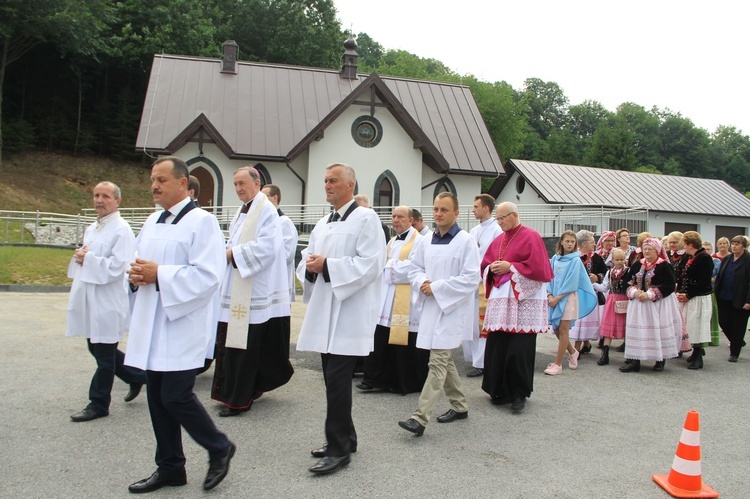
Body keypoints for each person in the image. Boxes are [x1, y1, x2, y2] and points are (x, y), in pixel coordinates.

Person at [125, 156, 235, 493]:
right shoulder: (152, 220)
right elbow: (139, 264)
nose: (155, 185)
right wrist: (133, 278)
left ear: (184, 184)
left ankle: (219, 447)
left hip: (182, 323)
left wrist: (159, 274)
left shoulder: (202, 223)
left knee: (175, 395)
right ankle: (171, 466)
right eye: (152, 179)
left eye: (162, 179)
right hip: (152, 322)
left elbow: (209, 276)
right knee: (157, 396)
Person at [296, 163, 386, 475]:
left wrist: (329, 266)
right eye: (325, 181)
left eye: (333, 180)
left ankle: (338, 450)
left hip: (349, 313)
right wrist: (310, 267)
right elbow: (307, 259)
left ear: (350, 185)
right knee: (332, 380)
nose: (327, 185)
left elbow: (372, 264)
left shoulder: (367, 219)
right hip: (325, 312)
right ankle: (346, 437)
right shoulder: (322, 223)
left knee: (336, 382)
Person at [210, 168, 294, 417]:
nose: (238, 188)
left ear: (257, 183)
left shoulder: (265, 209)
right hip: (236, 284)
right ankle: (234, 393)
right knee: (233, 342)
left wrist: (231, 255)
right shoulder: (243, 208)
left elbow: (267, 247)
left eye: (242, 183)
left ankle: (239, 400)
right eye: (235, 184)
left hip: (251, 288)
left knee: (243, 347)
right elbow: (234, 240)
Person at [398, 193, 479, 436]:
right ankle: (460, 405)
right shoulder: (426, 240)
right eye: (435, 209)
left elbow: (471, 278)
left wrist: (437, 287)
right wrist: (423, 282)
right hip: (432, 307)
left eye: (444, 210)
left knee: (437, 361)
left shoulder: (465, 241)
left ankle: (420, 418)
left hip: (452, 309)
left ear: (456, 213)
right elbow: (414, 267)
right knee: (443, 359)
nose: (439, 214)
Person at [66, 181, 145, 422]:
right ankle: (135, 376)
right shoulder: (94, 227)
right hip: (92, 297)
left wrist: (87, 258)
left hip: (108, 299)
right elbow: (90, 255)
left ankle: (98, 403)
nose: (99, 200)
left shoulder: (121, 230)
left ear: (118, 201)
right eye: (96, 195)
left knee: (103, 354)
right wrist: (81, 256)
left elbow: (119, 267)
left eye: (106, 196)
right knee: (97, 346)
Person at [480, 202, 553, 412]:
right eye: (498, 219)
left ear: (514, 215)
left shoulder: (531, 236)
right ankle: (499, 390)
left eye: (503, 218)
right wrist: (492, 269)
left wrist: (510, 267)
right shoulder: (498, 240)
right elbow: (485, 265)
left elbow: (539, 270)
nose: (500, 222)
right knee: (498, 347)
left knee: (519, 350)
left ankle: (519, 394)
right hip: (502, 301)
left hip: (523, 303)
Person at [358, 206, 429, 394]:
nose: (396, 220)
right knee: (382, 337)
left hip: (406, 300)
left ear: (411, 220)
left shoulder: (420, 241)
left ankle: (403, 381)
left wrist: (387, 265)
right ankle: (376, 378)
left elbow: (413, 268)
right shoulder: (391, 241)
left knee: (402, 341)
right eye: (394, 216)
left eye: (400, 217)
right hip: (387, 297)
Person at [619, 238, 682, 373]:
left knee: (656, 329)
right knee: (638, 330)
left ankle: (660, 359)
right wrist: (634, 292)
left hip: (657, 304)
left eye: (650, 249)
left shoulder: (664, 265)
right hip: (638, 304)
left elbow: (670, 285)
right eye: (645, 249)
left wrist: (650, 294)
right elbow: (627, 281)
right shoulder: (637, 265)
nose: (646, 251)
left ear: (657, 251)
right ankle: (635, 360)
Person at [545, 230, 596, 375]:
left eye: (572, 242)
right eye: (567, 241)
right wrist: (549, 295)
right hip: (553, 297)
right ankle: (573, 352)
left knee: (563, 330)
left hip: (567, 298)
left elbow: (572, 282)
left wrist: (557, 298)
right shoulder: (555, 258)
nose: (569, 244)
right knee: (556, 328)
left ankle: (558, 364)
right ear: (561, 241)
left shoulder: (575, 260)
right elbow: (550, 277)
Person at [465, 194, 503, 377]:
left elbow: (497, 256)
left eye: (476, 206)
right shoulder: (473, 231)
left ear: (486, 208)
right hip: (472, 281)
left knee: (483, 323)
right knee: (471, 321)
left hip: (486, 282)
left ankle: (482, 362)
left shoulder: (497, 231)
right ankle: (473, 358)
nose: (473, 209)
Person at [675, 231, 714, 370]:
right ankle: (693, 351)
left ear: (690, 244)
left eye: (685, 244)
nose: (684, 247)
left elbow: (704, 282)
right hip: (686, 296)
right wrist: (680, 291)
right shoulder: (688, 256)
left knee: (697, 324)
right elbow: (680, 275)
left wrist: (689, 294)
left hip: (698, 297)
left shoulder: (705, 258)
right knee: (687, 324)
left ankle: (698, 355)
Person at [570, 230, 606, 354]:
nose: (594, 244)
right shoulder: (573, 257)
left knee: (585, 318)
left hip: (591, 294)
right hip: (576, 294)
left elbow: (605, 272)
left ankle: (584, 344)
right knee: (579, 319)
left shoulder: (596, 257)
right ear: (584, 244)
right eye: (592, 242)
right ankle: (578, 347)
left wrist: (597, 277)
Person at [714, 235, 750, 362]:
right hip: (723, 296)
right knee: (723, 322)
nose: (734, 246)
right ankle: (737, 341)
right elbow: (719, 278)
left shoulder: (748, 260)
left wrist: (748, 301)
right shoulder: (727, 258)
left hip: (740, 299)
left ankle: (734, 352)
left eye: (737, 244)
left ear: (744, 247)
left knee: (738, 325)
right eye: (733, 243)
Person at [262, 183, 299, 303]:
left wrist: (265, 256)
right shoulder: (265, 221)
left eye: (264, 196)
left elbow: (287, 254)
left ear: (275, 198)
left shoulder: (284, 222)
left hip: (279, 280)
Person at [597, 249, 630, 365]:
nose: (620, 262)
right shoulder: (609, 272)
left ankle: (629, 355)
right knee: (608, 327)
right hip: (612, 300)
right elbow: (605, 287)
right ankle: (605, 354)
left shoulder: (628, 271)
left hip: (625, 300)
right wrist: (593, 285)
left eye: (622, 259)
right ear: (612, 260)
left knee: (626, 326)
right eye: (617, 259)